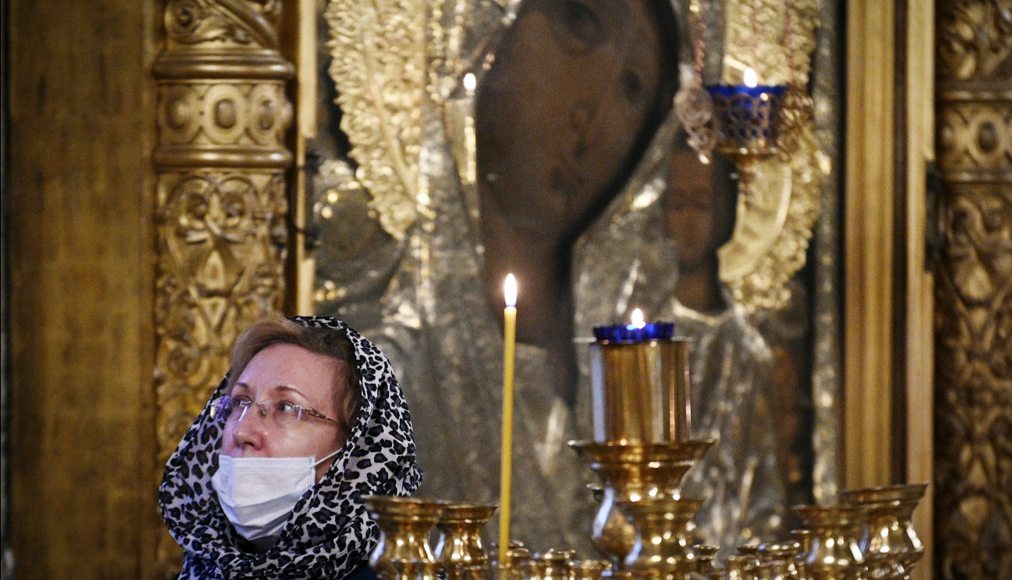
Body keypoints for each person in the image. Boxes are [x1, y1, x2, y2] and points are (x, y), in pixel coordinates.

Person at [159, 316, 423, 578]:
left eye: (285, 407)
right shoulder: (201, 569)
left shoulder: (398, 574)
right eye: (240, 401)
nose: (241, 431)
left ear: (356, 452)